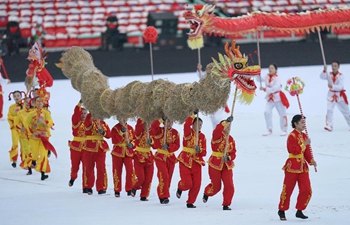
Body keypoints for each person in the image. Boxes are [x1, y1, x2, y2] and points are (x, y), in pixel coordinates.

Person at [277, 114, 317, 221]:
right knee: (288, 189)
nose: (304, 125)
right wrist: (304, 144)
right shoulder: (292, 136)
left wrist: (311, 160)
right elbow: (293, 150)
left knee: (307, 189)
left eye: (304, 123)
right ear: (295, 123)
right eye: (302, 123)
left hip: (303, 167)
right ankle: (282, 209)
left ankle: (300, 210)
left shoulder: (304, 136)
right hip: (292, 166)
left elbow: (306, 152)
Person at [202, 116, 236, 210]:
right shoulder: (217, 135)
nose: (228, 129)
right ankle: (207, 193)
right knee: (216, 187)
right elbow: (217, 129)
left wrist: (229, 157)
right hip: (215, 164)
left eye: (229, 127)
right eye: (227, 127)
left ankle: (226, 204)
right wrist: (226, 122)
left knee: (229, 185)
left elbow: (233, 153)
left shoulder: (231, 139)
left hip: (226, 165)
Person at [176, 110, 207, 208]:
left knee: (197, 184)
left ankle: (190, 202)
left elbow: (204, 152)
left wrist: (200, 150)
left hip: (196, 161)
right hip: (185, 160)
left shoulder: (202, 137)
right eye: (197, 124)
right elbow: (186, 125)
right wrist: (192, 115)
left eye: (201, 125)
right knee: (188, 183)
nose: (199, 126)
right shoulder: (188, 132)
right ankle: (180, 187)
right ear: (193, 124)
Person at [150, 116, 180, 204]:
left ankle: (164, 194)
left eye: (171, 121)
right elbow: (153, 126)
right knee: (164, 176)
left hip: (170, 157)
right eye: (167, 121)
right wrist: (160, 119)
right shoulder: (159, 130)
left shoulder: (175, 133)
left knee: (168, 177)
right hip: (160, 156)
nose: (169, 123)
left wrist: (169, 147)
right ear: (164, 122)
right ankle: (163, 196)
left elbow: (177, 145)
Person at [25, 95, 55, 180]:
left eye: (41, 101)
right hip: (34, 137)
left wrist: (44, 122)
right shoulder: (31, 114)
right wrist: (31, 132)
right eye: (37, 101)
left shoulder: (46, 113)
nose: (39, 103)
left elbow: (51, 123)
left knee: (43, 155)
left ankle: (43, 173)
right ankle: (33, 161)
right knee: (34, 154)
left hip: (44, 137)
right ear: (34, 103)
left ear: (43, 103)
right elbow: (26, 124)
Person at [256, 64, 290, 136]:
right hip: (270, 98)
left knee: (282, 113)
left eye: (272, 68)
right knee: (266, 112)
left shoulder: (277, 78)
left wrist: (265, 89)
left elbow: (276, 87)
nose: (270, 69)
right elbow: (259, 79)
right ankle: (269, 129)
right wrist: (257, 73)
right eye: (269, 68)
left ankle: (284, 129)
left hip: (278, 98)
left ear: (275, 70)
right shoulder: (266, 76)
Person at [82, 113, 110, 195]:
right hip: (89, 148)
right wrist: (92, 111)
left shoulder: (103, 123)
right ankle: (89, 186)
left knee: (101, 168)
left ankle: (101, 187)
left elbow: (109, 135)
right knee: (89, 168)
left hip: (100, 149)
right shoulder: (89, 120)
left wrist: (103, 133)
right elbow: (87, 123)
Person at [197, 63, 230, 128]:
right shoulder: (209, 77)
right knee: (213, 119)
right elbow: (202, 77)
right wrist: (199, 69)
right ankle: (217, 134)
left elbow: (225, 89)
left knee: (217, 118)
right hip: (211, 102)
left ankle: (220, 133)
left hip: (219, 102)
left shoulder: (222, 78)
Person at [319, 61, 350, 131]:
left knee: (346, 111)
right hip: (331, 95)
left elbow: (341, 86)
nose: (333, 67)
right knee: (329, 110)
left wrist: (332, 86)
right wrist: (324, 70)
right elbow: (321, 77)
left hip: (340, 96)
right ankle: (329, 125)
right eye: (332, 66)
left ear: (338, 67)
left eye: (335, 66)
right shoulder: (329, 74)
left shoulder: (341, 76)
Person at [110, 118, 135, 198]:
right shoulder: (115, 128)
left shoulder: (130, 128)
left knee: (130, 170)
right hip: (117, 152)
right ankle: (117, 189)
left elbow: (135, 139)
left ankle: (129, 188)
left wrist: (132, 144)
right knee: (117, 171)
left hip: (128, 152)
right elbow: (114, 140)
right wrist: (121, 132)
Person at [131, 118, 154, 201]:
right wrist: (143, 116)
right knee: (141, 178)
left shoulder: (153, 131)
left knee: (148, 178)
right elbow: (137, 133)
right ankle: (135, 187)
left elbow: (155, 144)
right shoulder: (139, 130)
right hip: (139, 156)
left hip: (149, 157)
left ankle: (144, 195)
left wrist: (151, 141)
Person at [68, 100, 87, 189]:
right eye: (82, 113)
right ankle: (73, 178)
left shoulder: (89, 123)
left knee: (87, 168)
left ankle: (86, 186)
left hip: (87, 148)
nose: (83, 115)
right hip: (76, 147)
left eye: (85, 113)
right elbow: (76, 114)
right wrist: (80, 103)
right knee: (75, 166)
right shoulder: (76, 121)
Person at [7, 90, 25, 168]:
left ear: (21, 96)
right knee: (15, 144)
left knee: (23, 145)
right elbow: (9, 117)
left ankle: (24, 159)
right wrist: (17, 118)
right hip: (15, 128)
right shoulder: (11, 107)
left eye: (18, 96)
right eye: (15, 96)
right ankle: (14, 160)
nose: (16, 97)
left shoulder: (25, 105)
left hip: (23, 128)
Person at [18, 97, 34, 173]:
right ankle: (29, 166)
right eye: (26, 102)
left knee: (32, 150)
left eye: (29, 101)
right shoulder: (20, 113)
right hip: (23, 135)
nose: (27, 103)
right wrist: (20, 127)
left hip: (32, 135)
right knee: (26, 150)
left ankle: (31, 164)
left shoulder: (34, 112)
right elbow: (16, 123)